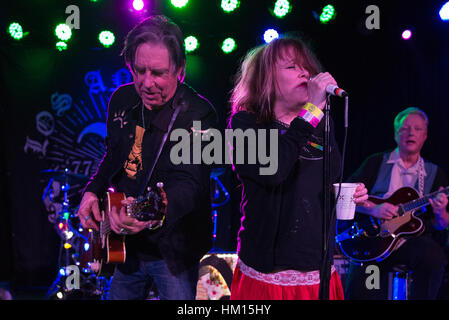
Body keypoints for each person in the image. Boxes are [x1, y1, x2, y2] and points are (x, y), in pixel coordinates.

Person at [76, 15, 217, 300]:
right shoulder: (122, 100)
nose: (146, 83)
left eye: (158, 73)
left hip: (174, 249)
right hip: (124, 246)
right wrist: (92, 191)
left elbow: (190, 184)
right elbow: (113, 157)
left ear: (180, 69)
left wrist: (151, 212)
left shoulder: (199, 114)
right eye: (139, 71)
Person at [227, 36, 369, 300]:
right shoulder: (245, 124)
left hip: (317, 269)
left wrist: (353, 193)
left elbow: (330, 181)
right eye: (292, 67)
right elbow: (274, 171)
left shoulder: (322, 123)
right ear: (265, 79)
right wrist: (311, 111)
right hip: (269, 275)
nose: (305, 72)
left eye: (307, 67)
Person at [344, 107, 449, 300]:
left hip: (411, 242)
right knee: (365, 287)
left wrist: (441, 211)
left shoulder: (434, 173)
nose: (411, 133)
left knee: (434, 259)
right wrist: (374, 209)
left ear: (425, 136)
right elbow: (345, 195)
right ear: (395, 134)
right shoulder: (376, 162)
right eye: (405, 128)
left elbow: (440, 225)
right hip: (372, 239)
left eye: (417, 129)